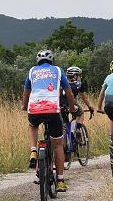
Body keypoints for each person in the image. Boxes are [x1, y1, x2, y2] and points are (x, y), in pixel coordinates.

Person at [22, 50, 76, 192]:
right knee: (57, 145)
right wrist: (72, 109)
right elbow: (68, 92)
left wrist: (24, 106)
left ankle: (33, 150)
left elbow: (26, 92)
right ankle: (60, 181)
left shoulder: (32, 71)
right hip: (53, 111)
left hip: (34, 109)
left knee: (32, 125)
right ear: (52, 61)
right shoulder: (58, 71)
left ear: (38, 61)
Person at [65, 66, 95, 143]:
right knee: (80, 113)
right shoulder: (78, 84)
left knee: (65, 122)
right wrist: (90, 107)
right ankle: (78, 128)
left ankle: (69, 135)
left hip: (60, 105)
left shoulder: (62, 83)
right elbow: (84, 98)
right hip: (71, 104)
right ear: (75, 76)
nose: (80, 77)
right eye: (79, 75)